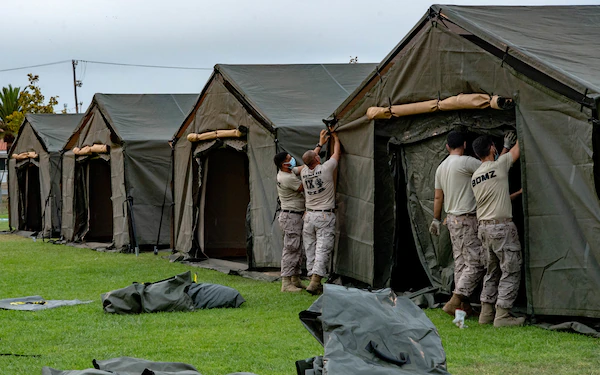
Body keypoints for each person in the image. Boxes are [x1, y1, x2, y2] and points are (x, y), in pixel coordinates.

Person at [430, 130, 488, 317]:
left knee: (461, 264)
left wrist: (435, 219)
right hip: (467, 219)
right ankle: (455, 300)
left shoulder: (441, 167)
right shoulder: (467, 162)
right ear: (464, 144)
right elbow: (489, 168)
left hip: (452, 220)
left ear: (447, 146)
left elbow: (438, 196)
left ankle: (463, 306)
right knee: (476, 263)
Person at [471, 134, 525, 327]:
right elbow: (517, 150)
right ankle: (502, 316)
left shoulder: (476, 176)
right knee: (511, 269)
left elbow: (496, 194)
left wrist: (517, 194)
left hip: (484, 229)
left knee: (492, 271)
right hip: (502, 228)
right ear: (492, 148)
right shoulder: (499, 166)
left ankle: (485, 313)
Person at [300, 129, 341, 295]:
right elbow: (337, 153)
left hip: (309, 216)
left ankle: (312, 278)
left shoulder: (303, 172)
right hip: (324, 214)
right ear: (317, 159)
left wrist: (319, 143)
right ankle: (316, 280)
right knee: (323, 248)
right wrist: (337, 138)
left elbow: (309, 159)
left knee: (310, 248)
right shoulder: (325, 169)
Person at [274, 151, 305, 292]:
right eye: (289, 159)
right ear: (283, 164)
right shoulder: (286, 178)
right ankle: (286, 282)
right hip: (290, 217)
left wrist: (318, 147)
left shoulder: (289, 171)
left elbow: (302, 167)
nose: (292, 159)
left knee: (297, 248)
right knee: (291, 248)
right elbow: (302, 187)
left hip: (295, 216)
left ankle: (295, 279)